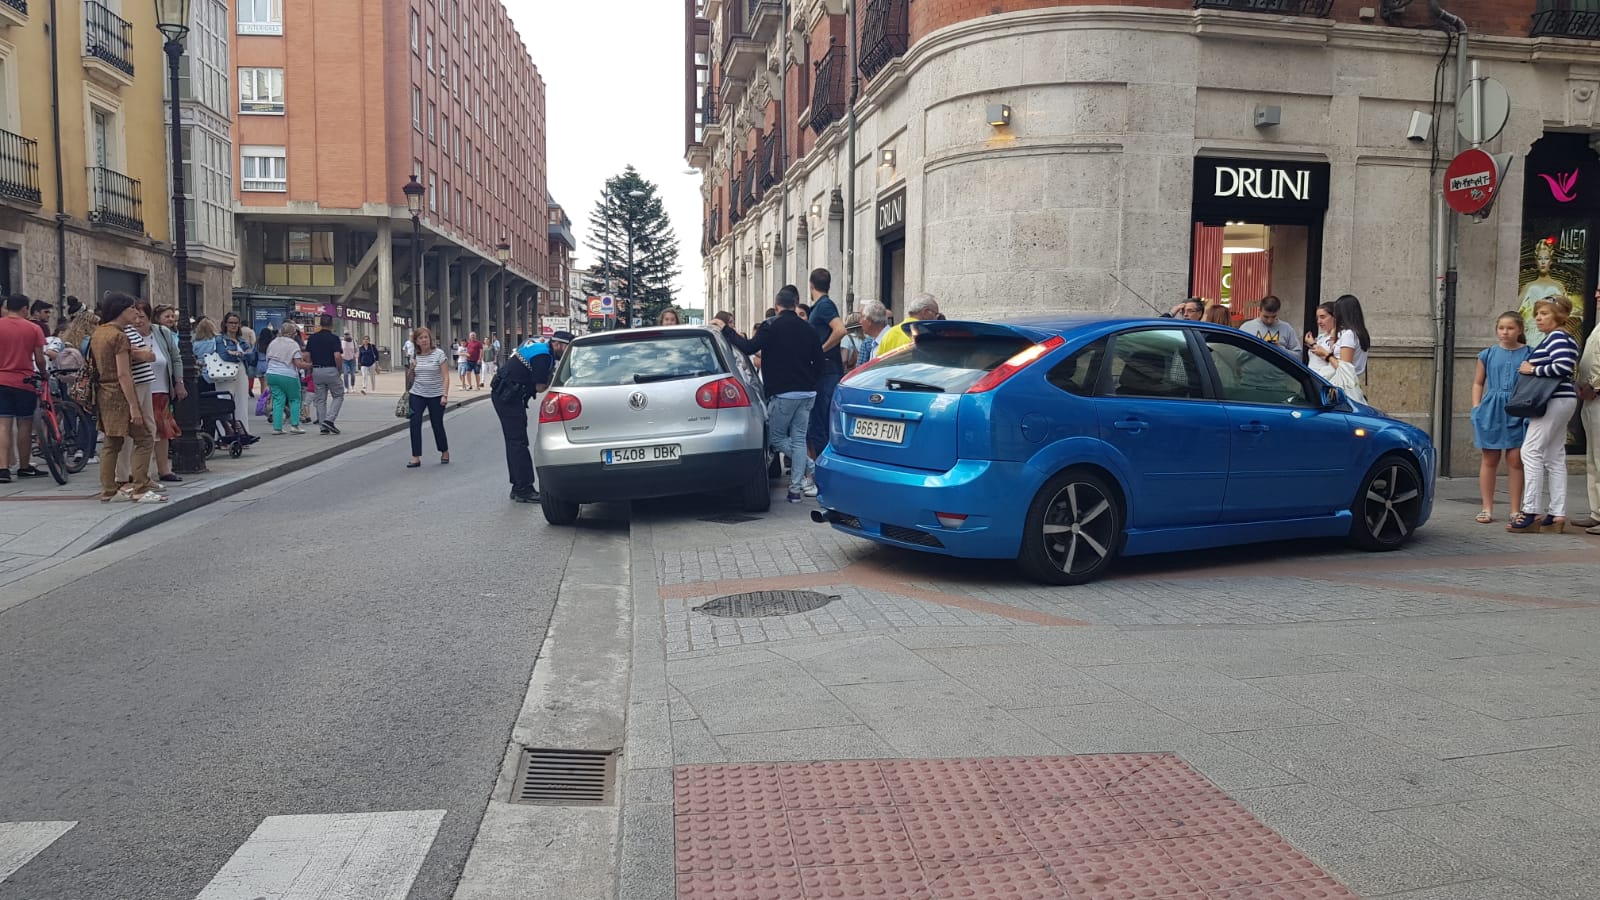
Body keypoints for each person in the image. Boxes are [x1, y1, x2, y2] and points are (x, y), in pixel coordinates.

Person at [714, 285, 823, 502]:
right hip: (807, 393)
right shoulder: (808, 328)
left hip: (783, 393)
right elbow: (820, 363)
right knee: (798, 439)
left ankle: (811, 468)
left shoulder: (770, 326)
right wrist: (810, 383)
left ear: (776, 306)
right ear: (795, 304)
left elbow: (748, 346)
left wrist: (726, 330)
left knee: (775, 438)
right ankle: (795, 490)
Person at [1510, 295, 1580, 534]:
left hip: (1552, 400)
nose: (1538, 318)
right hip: (1563, 399)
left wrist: (1533, 369)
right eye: (1537, 314)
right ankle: (1556, 513)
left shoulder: (1557, 337)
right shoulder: (1566, 338)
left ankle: (1531, 511)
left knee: (1530, 451)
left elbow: (1563, 367)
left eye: (1544, 313)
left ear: (1558, 316)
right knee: (1554, 455)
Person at [91, 293, 162, 502]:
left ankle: (108, 490)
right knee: (144, 438)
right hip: (120, 393)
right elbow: (124, 374)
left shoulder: (99, 332)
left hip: (104, 391)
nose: (135, 312)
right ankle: (140, 487)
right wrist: (133, 406)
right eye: (131, 308)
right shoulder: (119, 336)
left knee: (111, 442)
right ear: (120, 310)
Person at [491, 331, 569, 502]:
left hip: (506, 394)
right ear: (557, 344)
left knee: (514, 442)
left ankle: (517, 487)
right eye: (566, 348)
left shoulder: (542, 349)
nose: (566, 352)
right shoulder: (543, 356)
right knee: (518, 442)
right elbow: (541, 387)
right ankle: (523, 489)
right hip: (508, 396)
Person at [1471, 312, 1532, 525]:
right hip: (1491, 409)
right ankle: (1486, 507)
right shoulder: (1487, 354)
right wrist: (1476, 407)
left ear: (1520, 330)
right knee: (1490, 458)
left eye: (1510, 328)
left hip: (1518, 408)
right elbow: (1478, 382)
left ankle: (1515, 510)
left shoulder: (1530, 353)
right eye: (1501, 328)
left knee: (1516, 460)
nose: (1505, 332)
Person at [113, 302, 162, 487]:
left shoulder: (131, 330)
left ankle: (142, 474)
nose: (135, 314)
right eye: (132, 309)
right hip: (134, 383)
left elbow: (150, 355)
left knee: (149, 428)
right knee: (130, 431)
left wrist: (145, 353)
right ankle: (124, 476)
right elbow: (139, 354)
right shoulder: (119, 332)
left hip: (145, 381)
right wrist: (144, 353)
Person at [0, 294, 47, 482]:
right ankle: (24, 466)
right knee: (24, 425)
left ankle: (3, 468)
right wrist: (43, 373)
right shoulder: (33, 328)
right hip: (24, 381)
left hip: (1, 381)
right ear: (25, 309)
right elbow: (40, 359)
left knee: (3, 425)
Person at [148, 305, 186, 483]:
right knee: (145, 432)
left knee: (162, 430)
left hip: (161, 388)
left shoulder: (162, 333)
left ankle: (164, 470)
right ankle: (142, 472)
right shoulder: (129, 334)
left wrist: (179, 382)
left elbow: (176, 358)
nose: (139, 320)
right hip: (140, 390)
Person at [406, 326, 450, 467]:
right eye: (420, 338)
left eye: (426, 337)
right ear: (416, 341)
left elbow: (446, 376)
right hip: (417, 393)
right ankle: (416, 456)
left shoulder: (439, 354)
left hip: (436, 394)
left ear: (430, 339)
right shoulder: (414, 355)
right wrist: (412, 368)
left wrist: (444, 395)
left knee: (437, 423)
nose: (424, 340)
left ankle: (444, 451)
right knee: (415, 423)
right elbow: (409, 379)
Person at [1305, 302, 1367, 404]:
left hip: (1330, 385)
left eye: (1323, 317)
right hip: (1317, 383)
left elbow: (1343, 366)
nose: (1319, 321)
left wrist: (1318, 348)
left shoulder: (1346, 334)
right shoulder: (1323, 336)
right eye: (1317, 318)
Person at [60, 310, 99, 464]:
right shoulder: (90, 341)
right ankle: (87, 451)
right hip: (85, 383)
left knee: (72, 416)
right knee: (89, 417)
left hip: (69, 383)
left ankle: (73, 447)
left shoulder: (67, 340)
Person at [264, 322, 311, 435]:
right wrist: (311, 365)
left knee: (278, 401)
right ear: (293, 333)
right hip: (288, 375)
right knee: (294, 399)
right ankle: (295, 426)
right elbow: (298, 364)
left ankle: (277, 428)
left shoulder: (273, 342)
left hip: (271, 374)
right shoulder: (293, 344)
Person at [305, 314, 345, 434]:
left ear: (320, 324)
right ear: (331, 325)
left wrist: (311, 368)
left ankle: (323, 426)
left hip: (317, 370)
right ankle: (329, 420)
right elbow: (337, 356)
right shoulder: (334, 338)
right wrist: (339, 369)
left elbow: (307, 355)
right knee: (338, 395)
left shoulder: (312, 338)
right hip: (331, 369)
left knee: (320, 399)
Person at [216, 312, 255, 433]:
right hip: (225, 372)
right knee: (224, 401)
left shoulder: (242, 341)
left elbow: (252, 357)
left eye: (236, 323)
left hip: (241, 371)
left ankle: (243, 432)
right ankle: (224, 433)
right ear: (225, 324)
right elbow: (224, 355)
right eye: (231, 323)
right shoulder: (220, 339)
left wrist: (236, 354)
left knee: (242, 403)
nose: (233, 325)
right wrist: (241, 355)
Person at [857, 300, 889, 365]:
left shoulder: (891, 339)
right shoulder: (875, 341)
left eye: (862, 318)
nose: (860, 322)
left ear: (869, 320)